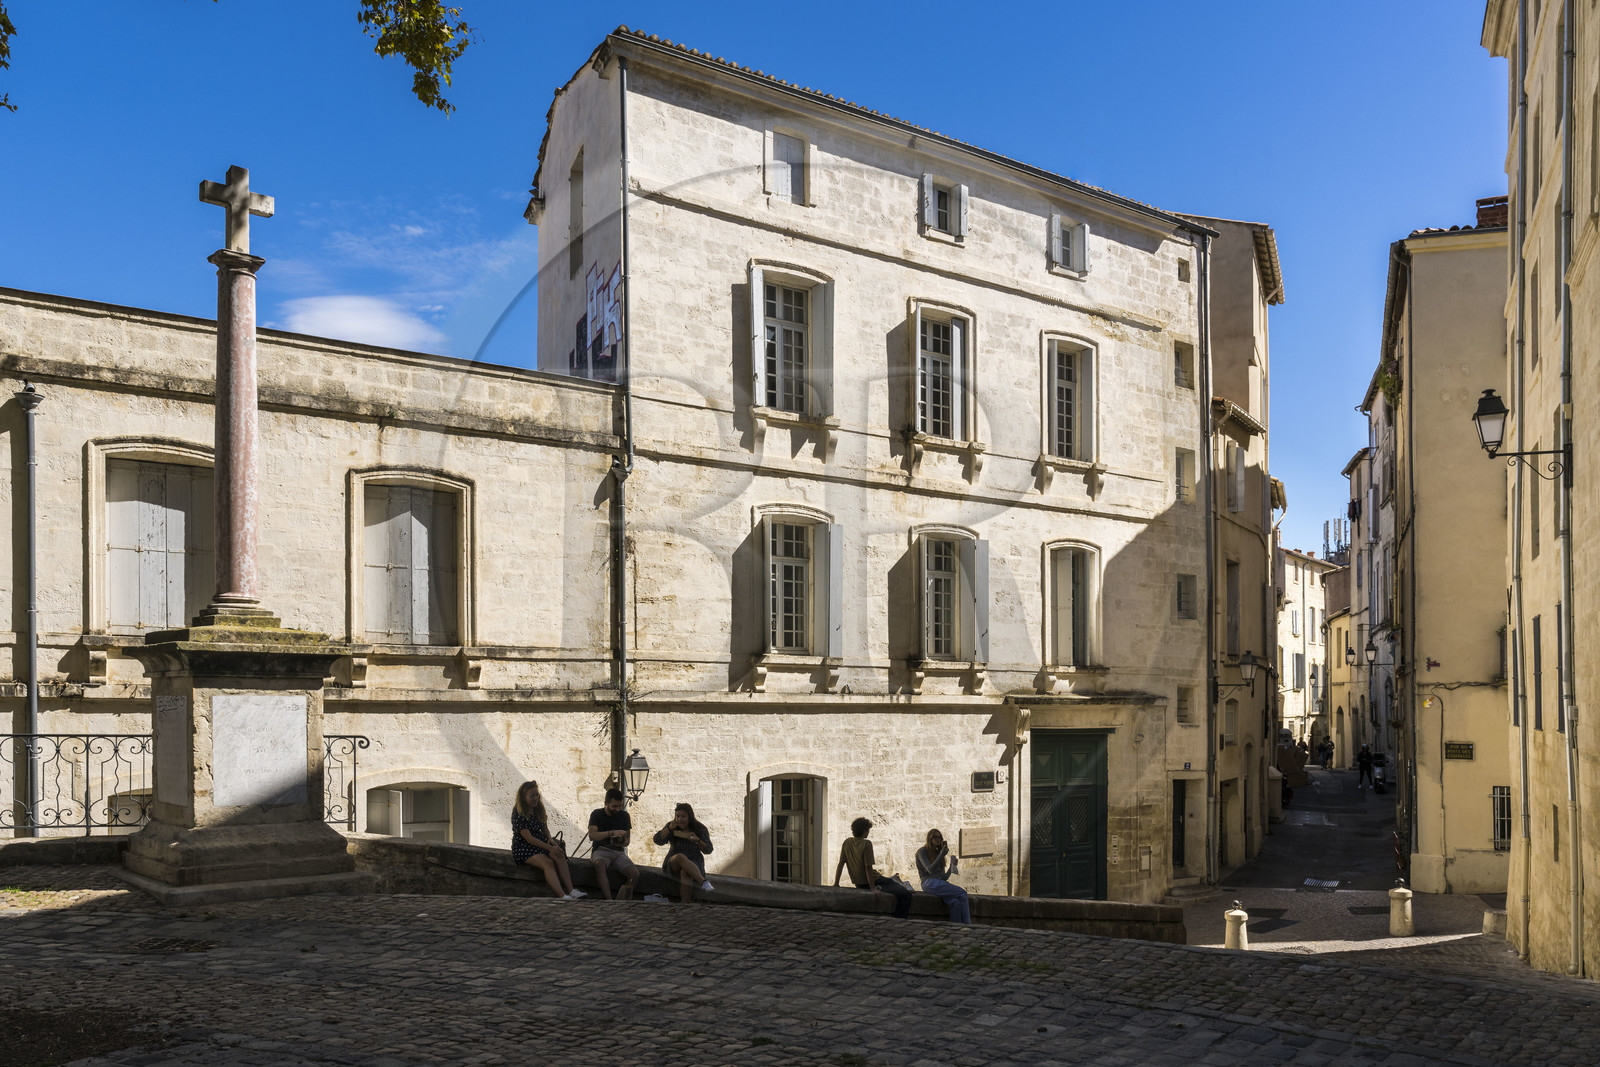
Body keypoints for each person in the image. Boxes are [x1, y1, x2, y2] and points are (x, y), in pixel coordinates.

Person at [512, 780, 585, 899]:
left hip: (540, 842)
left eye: (537, 795)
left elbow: (544, 827)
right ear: (524, 798)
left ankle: (571, 890)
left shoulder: (538, 808)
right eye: (532, 796)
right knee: (548, 863)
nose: (535, 798)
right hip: (524, 846)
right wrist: (549, 848)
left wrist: (549, 838)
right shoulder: (518, 812)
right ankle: (562, 895)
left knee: (559, 855)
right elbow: (528, 838)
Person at [832, 817, 912, 919]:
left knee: (891, 882)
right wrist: (873, 888)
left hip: (859, 883)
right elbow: (868, 868)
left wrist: (836, 883)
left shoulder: (847, 842)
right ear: (865, 831)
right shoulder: (866, 844)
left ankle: (895, 880)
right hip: (874, 881)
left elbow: (841, 864)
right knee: (906, 894)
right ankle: (899, 918)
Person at [653, 802, 714, 903]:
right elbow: (657, 840)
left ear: (689, 817)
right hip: (674, 861)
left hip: (694, 862)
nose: (680, 819)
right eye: (678, 816)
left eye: (683, 816)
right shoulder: (671, 826)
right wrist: (669, 829)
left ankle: (685, 904)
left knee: (685, 872)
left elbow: (708, 849)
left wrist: (698, 840)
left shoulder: (699, 828)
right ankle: (703, 882)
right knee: (680, 857)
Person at [587, 786, 639, 901]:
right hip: (600, 849)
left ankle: (623, 898)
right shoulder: (597, 814)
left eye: (620, 806)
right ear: (606, 803)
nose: (618, 809)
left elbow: (627, 841)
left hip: (618, 852)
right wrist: (611, 833)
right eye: (614, 806)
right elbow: (592, 835)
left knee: (634, 874)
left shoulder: (624, 816)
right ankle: (609, 899)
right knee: (600, 865)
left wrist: (622, 841)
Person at [915, 828, 971, 924]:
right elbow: (930, 870)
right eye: (935, 837)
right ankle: (967, 924)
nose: (937, 839)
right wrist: (941, 855)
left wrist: (952, 866)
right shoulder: (922, 851)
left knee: (955, 902)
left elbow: (943, 877)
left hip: (940, 883)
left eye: (939, 837)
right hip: (928, 883)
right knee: (962, 893)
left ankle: (956, 926)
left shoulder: (938, 852)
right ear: (929, 839)